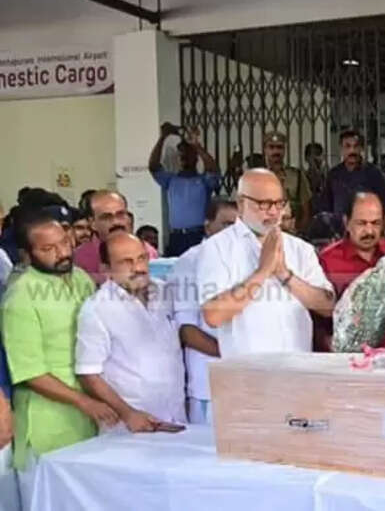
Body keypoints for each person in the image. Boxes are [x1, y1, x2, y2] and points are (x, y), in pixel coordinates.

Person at [2, 212, 117, 507]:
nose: (62, 253)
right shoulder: (20, 298)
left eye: (64, 243)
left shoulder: (79, 278)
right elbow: (30, 372)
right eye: (48, 249)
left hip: (88, 420)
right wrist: (85, 402)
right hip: (48, 426)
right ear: (27, 255)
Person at [198, 169, 335, 357]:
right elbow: (213, 315)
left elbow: (328, 306)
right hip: (246, 375)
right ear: (241, 203)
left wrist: (284, 274)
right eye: (264, 204)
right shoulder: (217, 248)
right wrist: (262, 272)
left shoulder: (300, 249)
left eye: (279, 203)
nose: (273, 212)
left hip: (297, 371)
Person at [75, 233, 187, 431]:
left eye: (141, 258)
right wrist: (128, 414)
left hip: (175, 417)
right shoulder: (97, 309)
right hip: (131, 425)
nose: (138, 268)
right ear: (106, 269)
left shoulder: (165, 293)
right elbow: (88, 374)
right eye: (126, 262)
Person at [167, 199, 237, 424]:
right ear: (208, 226)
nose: (233, 233)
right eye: (226, 225)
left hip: (247, 381)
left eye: (239, 226)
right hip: (209, 387)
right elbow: (187, 332)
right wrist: (237, 355)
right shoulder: (190, 262)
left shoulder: (247, 259)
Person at [318, 192, 385, 350]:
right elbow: (318, 318)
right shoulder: (328, 260)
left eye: (376, 223)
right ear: (347, 222)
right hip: (343, 358)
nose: (369, 230)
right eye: (362, 223)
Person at [149, 123, 221, 256]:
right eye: (181, 153)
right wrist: (162, 138)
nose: (183, 156)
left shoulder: (203, 181)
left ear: (195, 157)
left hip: (198, 236)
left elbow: (213, 170)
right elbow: (153, 167)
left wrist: (197, 146)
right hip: (177, 237)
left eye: (188, 153)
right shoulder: (171, 180)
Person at [316, 130, 385, 239]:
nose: (352, 150)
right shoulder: (334, 174)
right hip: (340, 236)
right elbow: (326, 207)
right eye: (347, 146)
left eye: (356, 146)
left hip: (367, 234)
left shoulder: (373, 173)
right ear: (341, 149)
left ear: (361, 148)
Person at [75, 190, 158, 284]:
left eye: (121, 214)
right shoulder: (79, 259)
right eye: (106, 217)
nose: (116, 222)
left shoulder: (148, 251)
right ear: (92, 223)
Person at [263, 132, 312, 231]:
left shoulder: (296, 175)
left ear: (284, 150)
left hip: (292, 232)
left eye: (279, 147)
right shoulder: (258, 177)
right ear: (265, 150)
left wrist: (300, 232)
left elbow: (306, 208)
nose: (276, 151)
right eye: (271, 147)